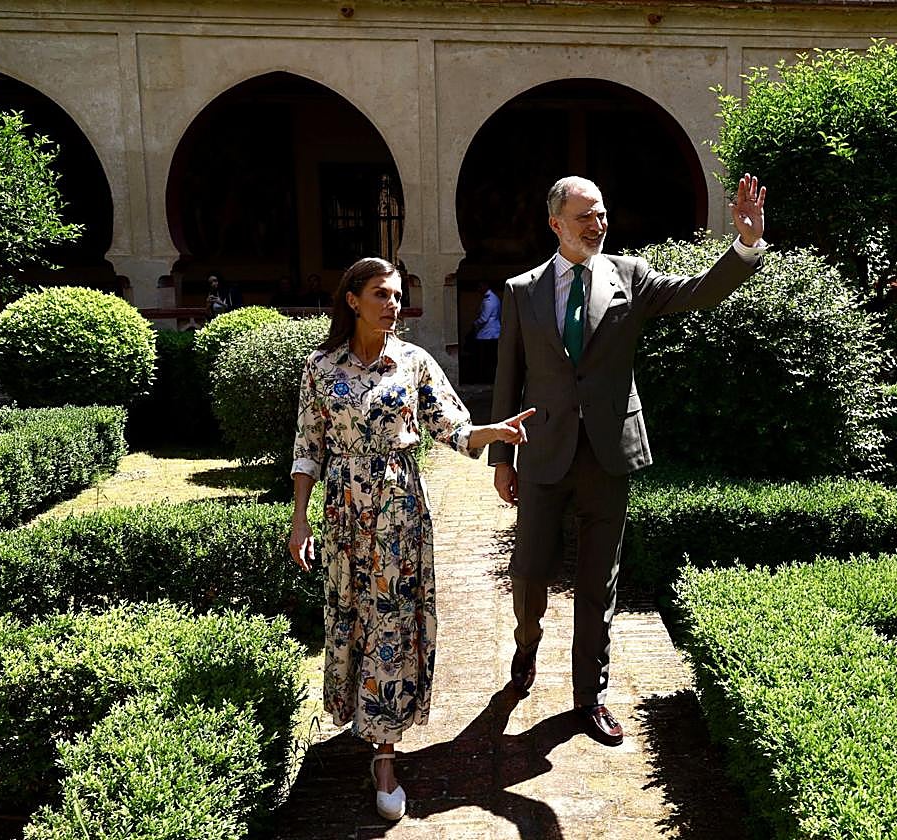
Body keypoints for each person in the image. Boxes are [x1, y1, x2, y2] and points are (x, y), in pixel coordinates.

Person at [488, 174, 767, 747]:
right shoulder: (522, 291)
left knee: (598, 582)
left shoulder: (630, 276)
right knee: (529, 571)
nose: (597, 224)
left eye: (602, 213)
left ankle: (589, 696)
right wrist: (501, 458)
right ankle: (526, 643)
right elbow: (508, 378)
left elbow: (698, 291)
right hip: (542, 453)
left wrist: (744, 245)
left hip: (609, 455)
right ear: (556, 224)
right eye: (585, 215)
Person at [287, 257, 535, 821]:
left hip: (400, 512)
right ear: (352, 299)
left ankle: (385, 754)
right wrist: (300, 520)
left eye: (397, 295)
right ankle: (365, 720)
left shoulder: (415, 363)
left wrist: (492, 434)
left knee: (395, 622)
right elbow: (308, 449)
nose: (392, 304)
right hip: (346, 513)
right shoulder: (320, 369)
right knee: (353, 614)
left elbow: (451, 425)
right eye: (381, 294)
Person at [470, 280, 502, 382]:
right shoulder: (493, 298)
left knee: (485, 359)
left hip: (487, 333)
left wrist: (474, 324)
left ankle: (484, 378)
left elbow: (484, 318)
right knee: (491, 357)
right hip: (493, 332)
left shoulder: (489, 300)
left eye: (480, 287)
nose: (478, 289)